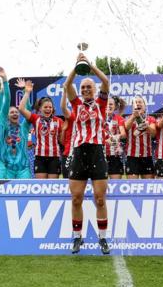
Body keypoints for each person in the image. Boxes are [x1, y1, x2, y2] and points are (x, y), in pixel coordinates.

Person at [64, 53, 111, 254]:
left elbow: (106, 81)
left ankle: (102, 238)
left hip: (97, 152)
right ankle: (77, 237)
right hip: (79, 153)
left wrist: (90, 65)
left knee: (100, 198)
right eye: (83, 87)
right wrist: (77, 66)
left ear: (94, 89)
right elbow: (68, 85)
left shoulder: (101, 103)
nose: (85, 90)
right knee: (76, 198)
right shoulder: (76, 104)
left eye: (88, 87)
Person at [19, 80, 63, 179]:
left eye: (50, 107)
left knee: (52, 187)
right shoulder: (35, 118)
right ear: (40, 109)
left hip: (54, 157)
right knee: (41, 185)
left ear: (53, 108)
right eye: (45, 107)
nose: (48, 109)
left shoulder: (59, 121)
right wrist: (27, 92)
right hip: (40, 157)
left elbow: (62, 139)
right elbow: (21, 109)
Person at [124, 96, 157, 179]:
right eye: (136, 103)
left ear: (145, 107)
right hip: (132, 156)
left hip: (147, 156)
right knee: (132, 185)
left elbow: (153, 133)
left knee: (148, 186)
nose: (138, 104)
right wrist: (134, 116)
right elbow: (126, 128)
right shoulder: (127, 118)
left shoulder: (150, 119)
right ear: (132, 108)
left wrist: (146, 126)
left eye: (140, 102)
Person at [104, 96, 127, 179]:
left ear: (115, 107)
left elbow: (124, 134)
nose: (108, 106)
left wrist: (116, 137)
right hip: (100, 156)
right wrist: (105, 141)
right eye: (106, 104)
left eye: (111, 104)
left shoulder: (118, 118)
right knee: (100, 185)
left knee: (116, 184)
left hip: (115, 156)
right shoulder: (98, 118)